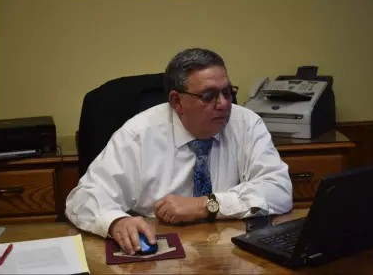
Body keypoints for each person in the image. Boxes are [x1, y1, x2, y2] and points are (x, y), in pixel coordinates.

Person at [65, 48, 293, 256]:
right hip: (159, 258)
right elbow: (83, 197)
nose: (223, 104)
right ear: (177, 101)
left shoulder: (246, 124)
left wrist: (206, 205)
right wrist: (116, 222)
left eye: (227, 92)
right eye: (208, 96)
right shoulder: (139, 134)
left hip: (229, 253)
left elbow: (278, 189)